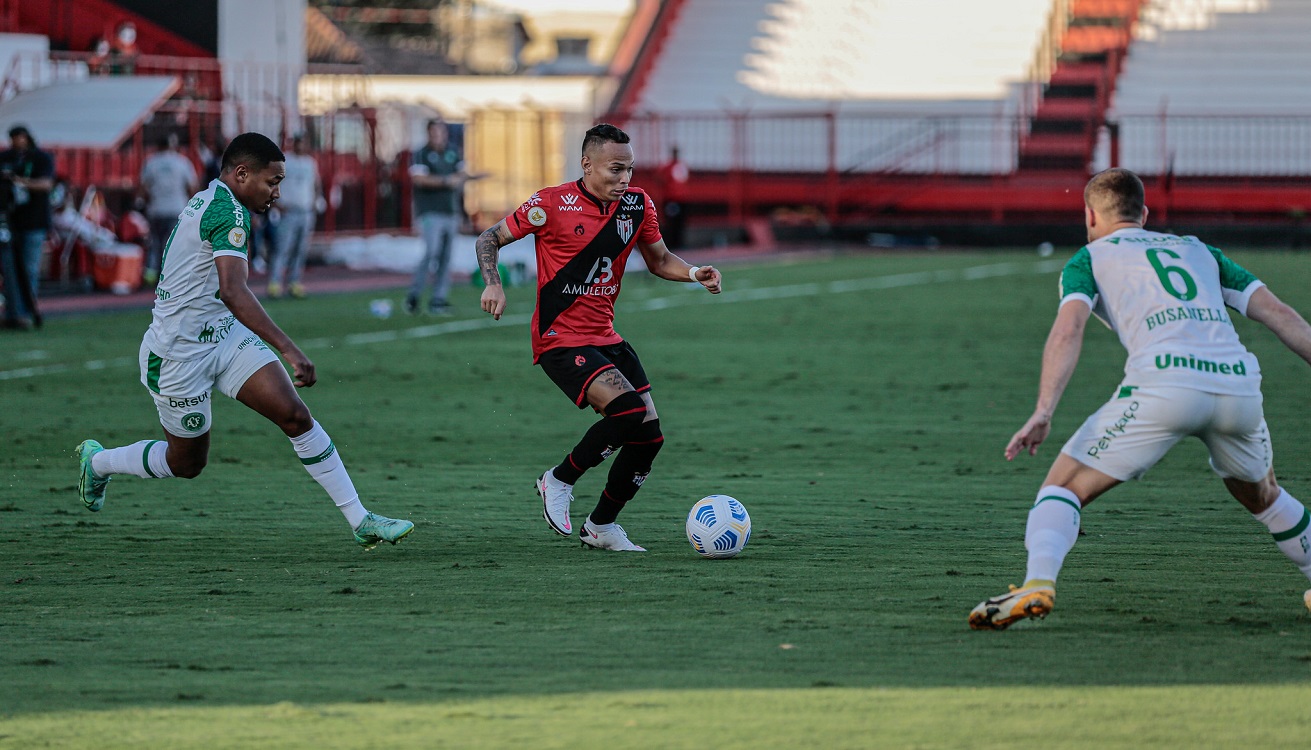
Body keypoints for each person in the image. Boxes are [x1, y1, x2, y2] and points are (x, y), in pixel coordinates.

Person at [969, 168, 1311, 630]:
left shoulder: (1089, 258)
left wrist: (1044, 410)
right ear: (1144, 214)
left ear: (1089, 215)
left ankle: (1037, 582)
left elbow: (1068, 330)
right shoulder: (1201, 251)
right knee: (1264, 496)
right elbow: (1280, 315)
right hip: (1238, 387)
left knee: (1063, 487)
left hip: (1164, 387)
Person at [75, 132, 413, 550]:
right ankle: (100, 462)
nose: (276, 192)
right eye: (272, 182)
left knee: (294, 415)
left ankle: (361, 520)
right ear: (241, 174)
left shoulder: (218, 201)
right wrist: (290, 349)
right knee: (186, 463)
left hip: (222, 335)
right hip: (178, 354)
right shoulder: (227, 212)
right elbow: (234, 292)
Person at [475, 123, 723, 551]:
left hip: (606, 338)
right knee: (627, 414)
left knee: (649, 438)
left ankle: (601, 526)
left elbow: (660, 259)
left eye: (629, 169)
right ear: (587, 165)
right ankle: (558, 480)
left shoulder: (636, 206)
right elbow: (489, 238)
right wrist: (493, 282)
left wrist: (694, 273)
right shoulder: (549, 204)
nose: (624, 179)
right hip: (560, 338)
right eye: (615, 170)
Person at [405, 118, 471, 315]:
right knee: (430, 253)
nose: (438, 137)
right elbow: (419, 179)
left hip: (450, 211)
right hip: (430, 212)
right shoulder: (421, 153)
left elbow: (462, 175)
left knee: (446, 257)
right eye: (434, 133)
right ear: (428, 134)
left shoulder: (453, 151)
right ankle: (414, 295)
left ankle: (438, 299)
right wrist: (445, 181)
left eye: (441, 133)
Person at [0, 125, 54, 330]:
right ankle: (13, 313)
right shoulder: (6, 158)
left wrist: (21, 182)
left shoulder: (40, 158)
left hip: (34, 221)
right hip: (9, 221)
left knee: (29, 269)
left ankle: (25, 313)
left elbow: (46, 184)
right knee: (10, 270)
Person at [139, 132, 199, 285]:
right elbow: (192, 187)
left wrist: (149, 201)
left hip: (156, 209)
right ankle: (172, 277)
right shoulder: (182, 162)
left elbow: (143, 189)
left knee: (155, 243)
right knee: (174, 245)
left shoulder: (151, 162)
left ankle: (151, 275)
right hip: (177, 209)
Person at [267, 133, 322, 299]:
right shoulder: (285, 161)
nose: (301, 146)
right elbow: (272, 182)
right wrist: (275, 203)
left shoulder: (310, 163)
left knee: (300, 249)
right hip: (289, 210)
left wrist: (315, 200)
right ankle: (275, 282)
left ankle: (294, 282)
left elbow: (316, 184)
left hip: (305, 211)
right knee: (283, 247)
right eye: (299, 142)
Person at [656, 146, 689, 250]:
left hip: (682, 199)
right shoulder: (667, 167)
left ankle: (679, 243)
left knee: (680, 222)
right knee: (671, 222)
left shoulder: (681, 165)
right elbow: (660, 179)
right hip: (671, 199)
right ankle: (671, 244)